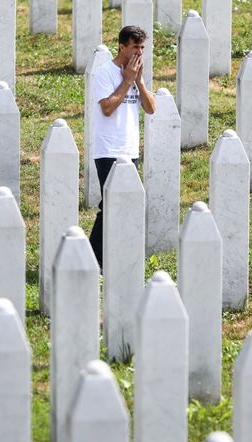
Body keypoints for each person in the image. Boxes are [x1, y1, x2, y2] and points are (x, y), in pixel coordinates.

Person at [88, 25, 156, 267]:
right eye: (135, 47)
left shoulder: (136, 74)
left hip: (130, 149)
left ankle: (114, 258)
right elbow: (107, 108)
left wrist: (139, 82)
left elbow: (151, 108)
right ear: (122, 46)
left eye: (142, 47)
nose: (140, 52)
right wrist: (127, 80)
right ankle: (92, 259)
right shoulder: (105, 73)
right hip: (108, 150)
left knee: (126, 204)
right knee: (110, 205)